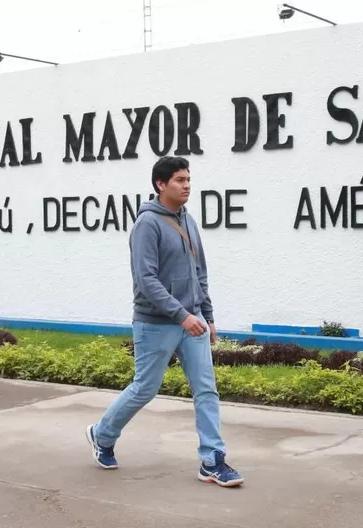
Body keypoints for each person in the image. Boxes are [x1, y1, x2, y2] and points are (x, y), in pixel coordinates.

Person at [85, 155, 244, 488]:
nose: (187, 186)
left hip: (192, 320)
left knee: (206, 390)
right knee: (145, 388)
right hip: (156, 322)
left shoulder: (189, 221)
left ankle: (212, 459)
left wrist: (207, 315)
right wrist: (181, 315)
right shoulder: (147, 224)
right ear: (161, 184)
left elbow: (198, 272)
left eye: (189, 180)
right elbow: (146, 279)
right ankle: (103, 434)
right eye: (180, 180)